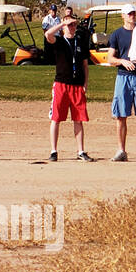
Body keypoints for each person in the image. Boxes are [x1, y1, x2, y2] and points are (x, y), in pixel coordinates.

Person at [104, 4, 136, 163]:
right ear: (123, 16)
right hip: (123, 77)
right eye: (129, 13)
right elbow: (110, 58)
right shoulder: (117, 34)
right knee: (121, 115)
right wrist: (122, 62)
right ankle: (121, 151)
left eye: (134, 13)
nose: (132, 16)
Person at [43, 13, 95, 162]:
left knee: (78, 119)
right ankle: (53, 151)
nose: (72, 27)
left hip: (77, 85)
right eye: (69, 25)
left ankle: (81, 151)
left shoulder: (80, 42)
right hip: (61, 84)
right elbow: (48, 34)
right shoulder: (58, 41)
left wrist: (85, 83)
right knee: (56, 118)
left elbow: (85, 65)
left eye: (74, 25)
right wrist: (62, 24)